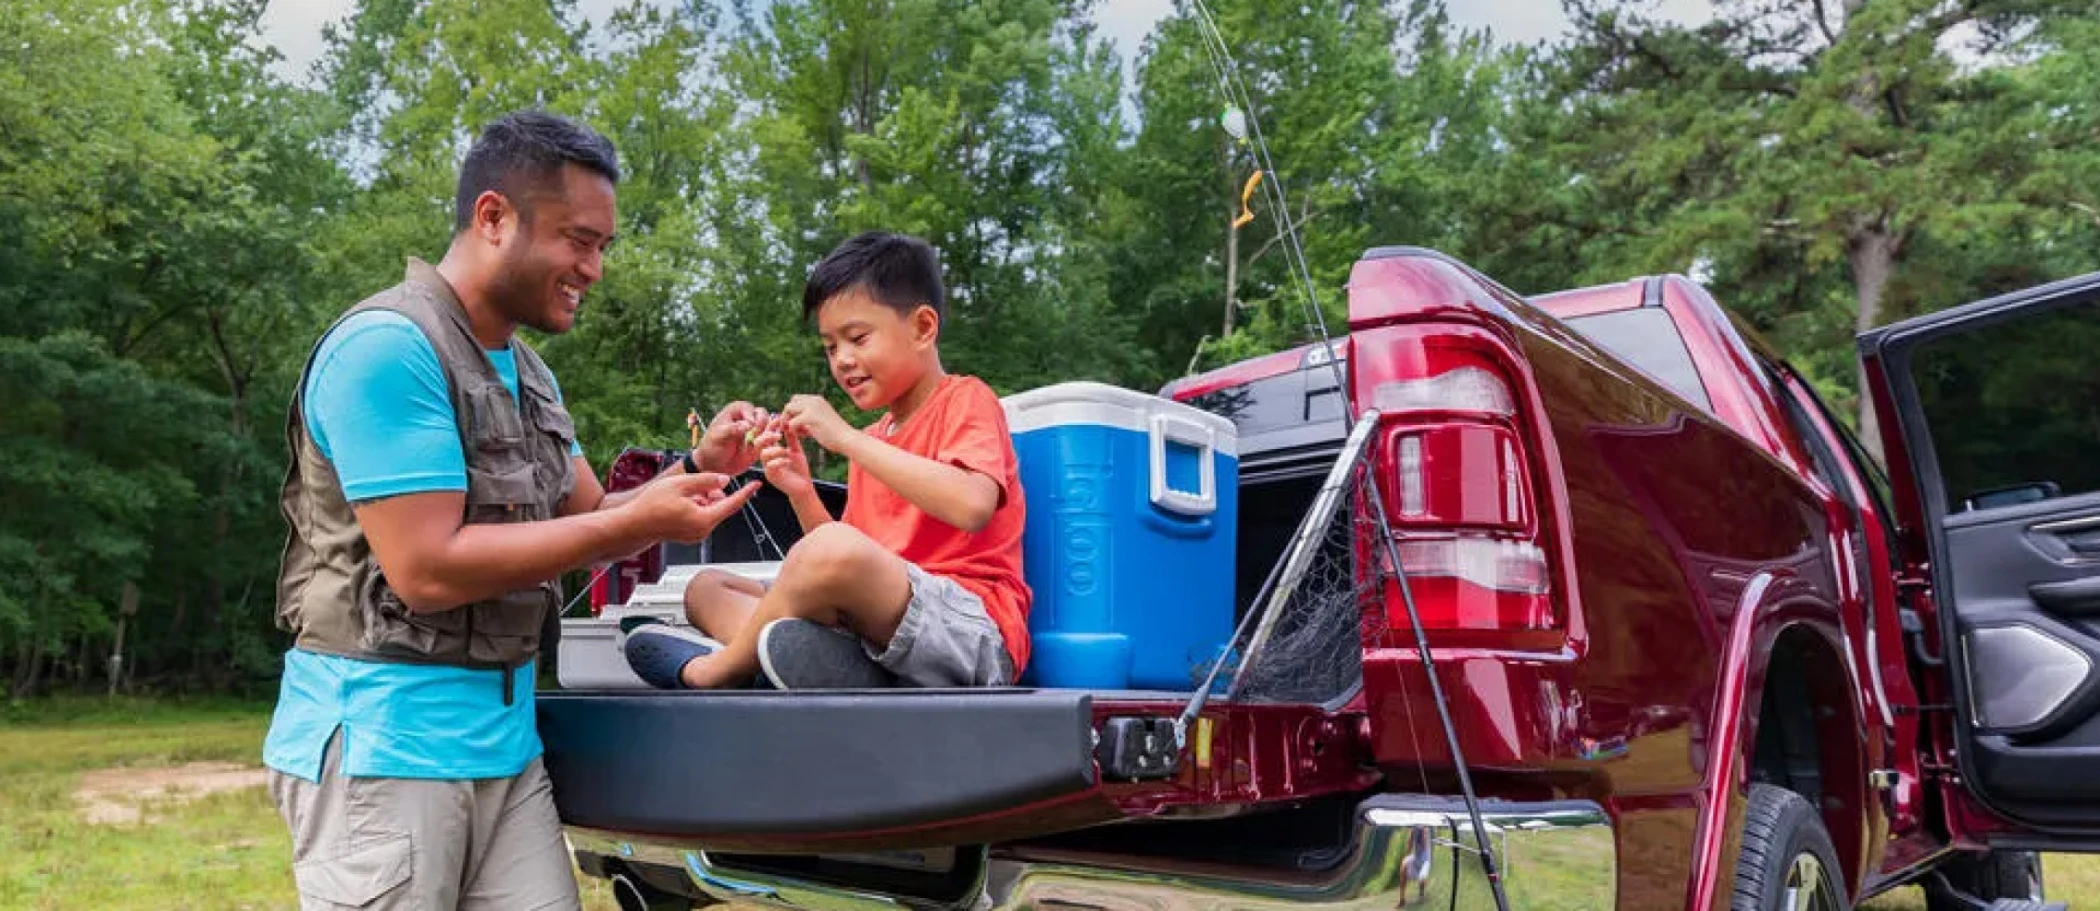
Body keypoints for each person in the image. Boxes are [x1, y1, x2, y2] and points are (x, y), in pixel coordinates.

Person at [263, 109, 767, 910]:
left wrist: (699, 468)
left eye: (603, 246)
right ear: (494, 217)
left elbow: (593, 515)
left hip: (506, 753)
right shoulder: (388, 349)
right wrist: (635, 522)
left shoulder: (529, 371)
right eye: (578, 239)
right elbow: (426, 568)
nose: (594, 268)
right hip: (383, 755)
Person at [622, 231, 1031, 690]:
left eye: (857, 338)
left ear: (922, 328)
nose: (843, 361)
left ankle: (716, 669)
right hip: (877, 632)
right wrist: (799, 489)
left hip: (967, 631)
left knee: (832, 551)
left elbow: (972, 505)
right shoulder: (876, 440)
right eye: (831, 347)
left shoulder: (966, 399)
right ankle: (819, 665)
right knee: (707, 589)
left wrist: (844, 438)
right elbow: (835, 562)